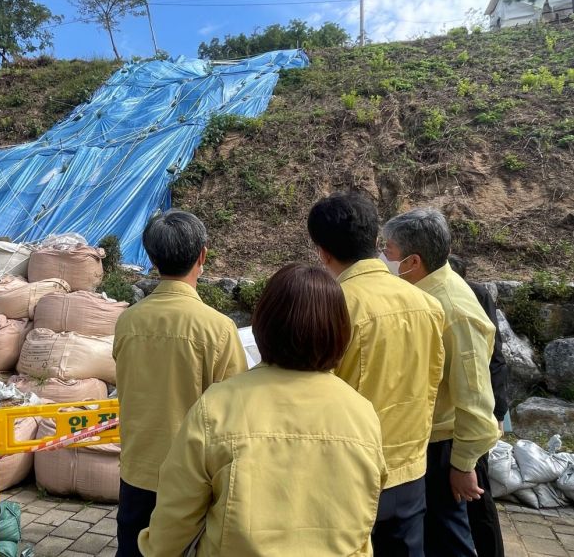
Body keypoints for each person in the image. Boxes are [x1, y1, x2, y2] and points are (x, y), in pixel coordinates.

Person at [138, 263, 387, 556]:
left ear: (264, 324)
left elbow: (176, 516)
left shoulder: (217, 408)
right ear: (339, 332)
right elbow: (364, 510)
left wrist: (156, 549)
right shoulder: (361, 413)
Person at [307, 192, 445, 556]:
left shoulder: (334, 306)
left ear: (322, 252)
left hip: (348, 474)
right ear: (375, 241)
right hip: (410, 470)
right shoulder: (429, 305)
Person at [113, 209, 249, 557]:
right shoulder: (218, 329)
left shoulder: (128, 321)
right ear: (202, 255)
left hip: (137, 471)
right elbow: (233, 412)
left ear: (152, 258)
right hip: (193, 480)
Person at [382, 209, 500, 557]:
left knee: (450, 539)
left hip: (444, 448)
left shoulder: (455, 310)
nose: (382, 256)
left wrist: (462, 466)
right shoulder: (425, 292)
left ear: (413, 260)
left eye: (387, 250)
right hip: (425, 439)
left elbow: (476, 398)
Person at [448, 254, 507, 557]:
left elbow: (494, 360)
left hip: (474, 416)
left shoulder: (475, 296)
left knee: (477, 495)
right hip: (451, 418)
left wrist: (498, 413)